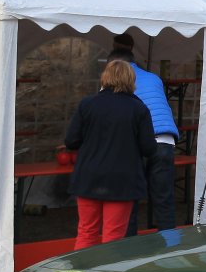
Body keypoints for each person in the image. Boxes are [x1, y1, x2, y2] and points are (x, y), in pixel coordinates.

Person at [62, 59, 154, 249]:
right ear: (130, 79)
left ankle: (82, 268)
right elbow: (149, 148)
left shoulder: (87, 104)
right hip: (122, 180)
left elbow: (71, 141)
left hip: (88, 176)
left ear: (105, 77)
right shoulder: (139, 109)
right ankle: (105, 269)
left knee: (86, 232)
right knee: (113, 237)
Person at [109, 34, 181, 235]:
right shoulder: (154, 78)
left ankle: (130, 246)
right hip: (166, 139)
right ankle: (171, 244)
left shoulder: (116, 80)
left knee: (130, 199)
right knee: (164, 198)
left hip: (139, 142)